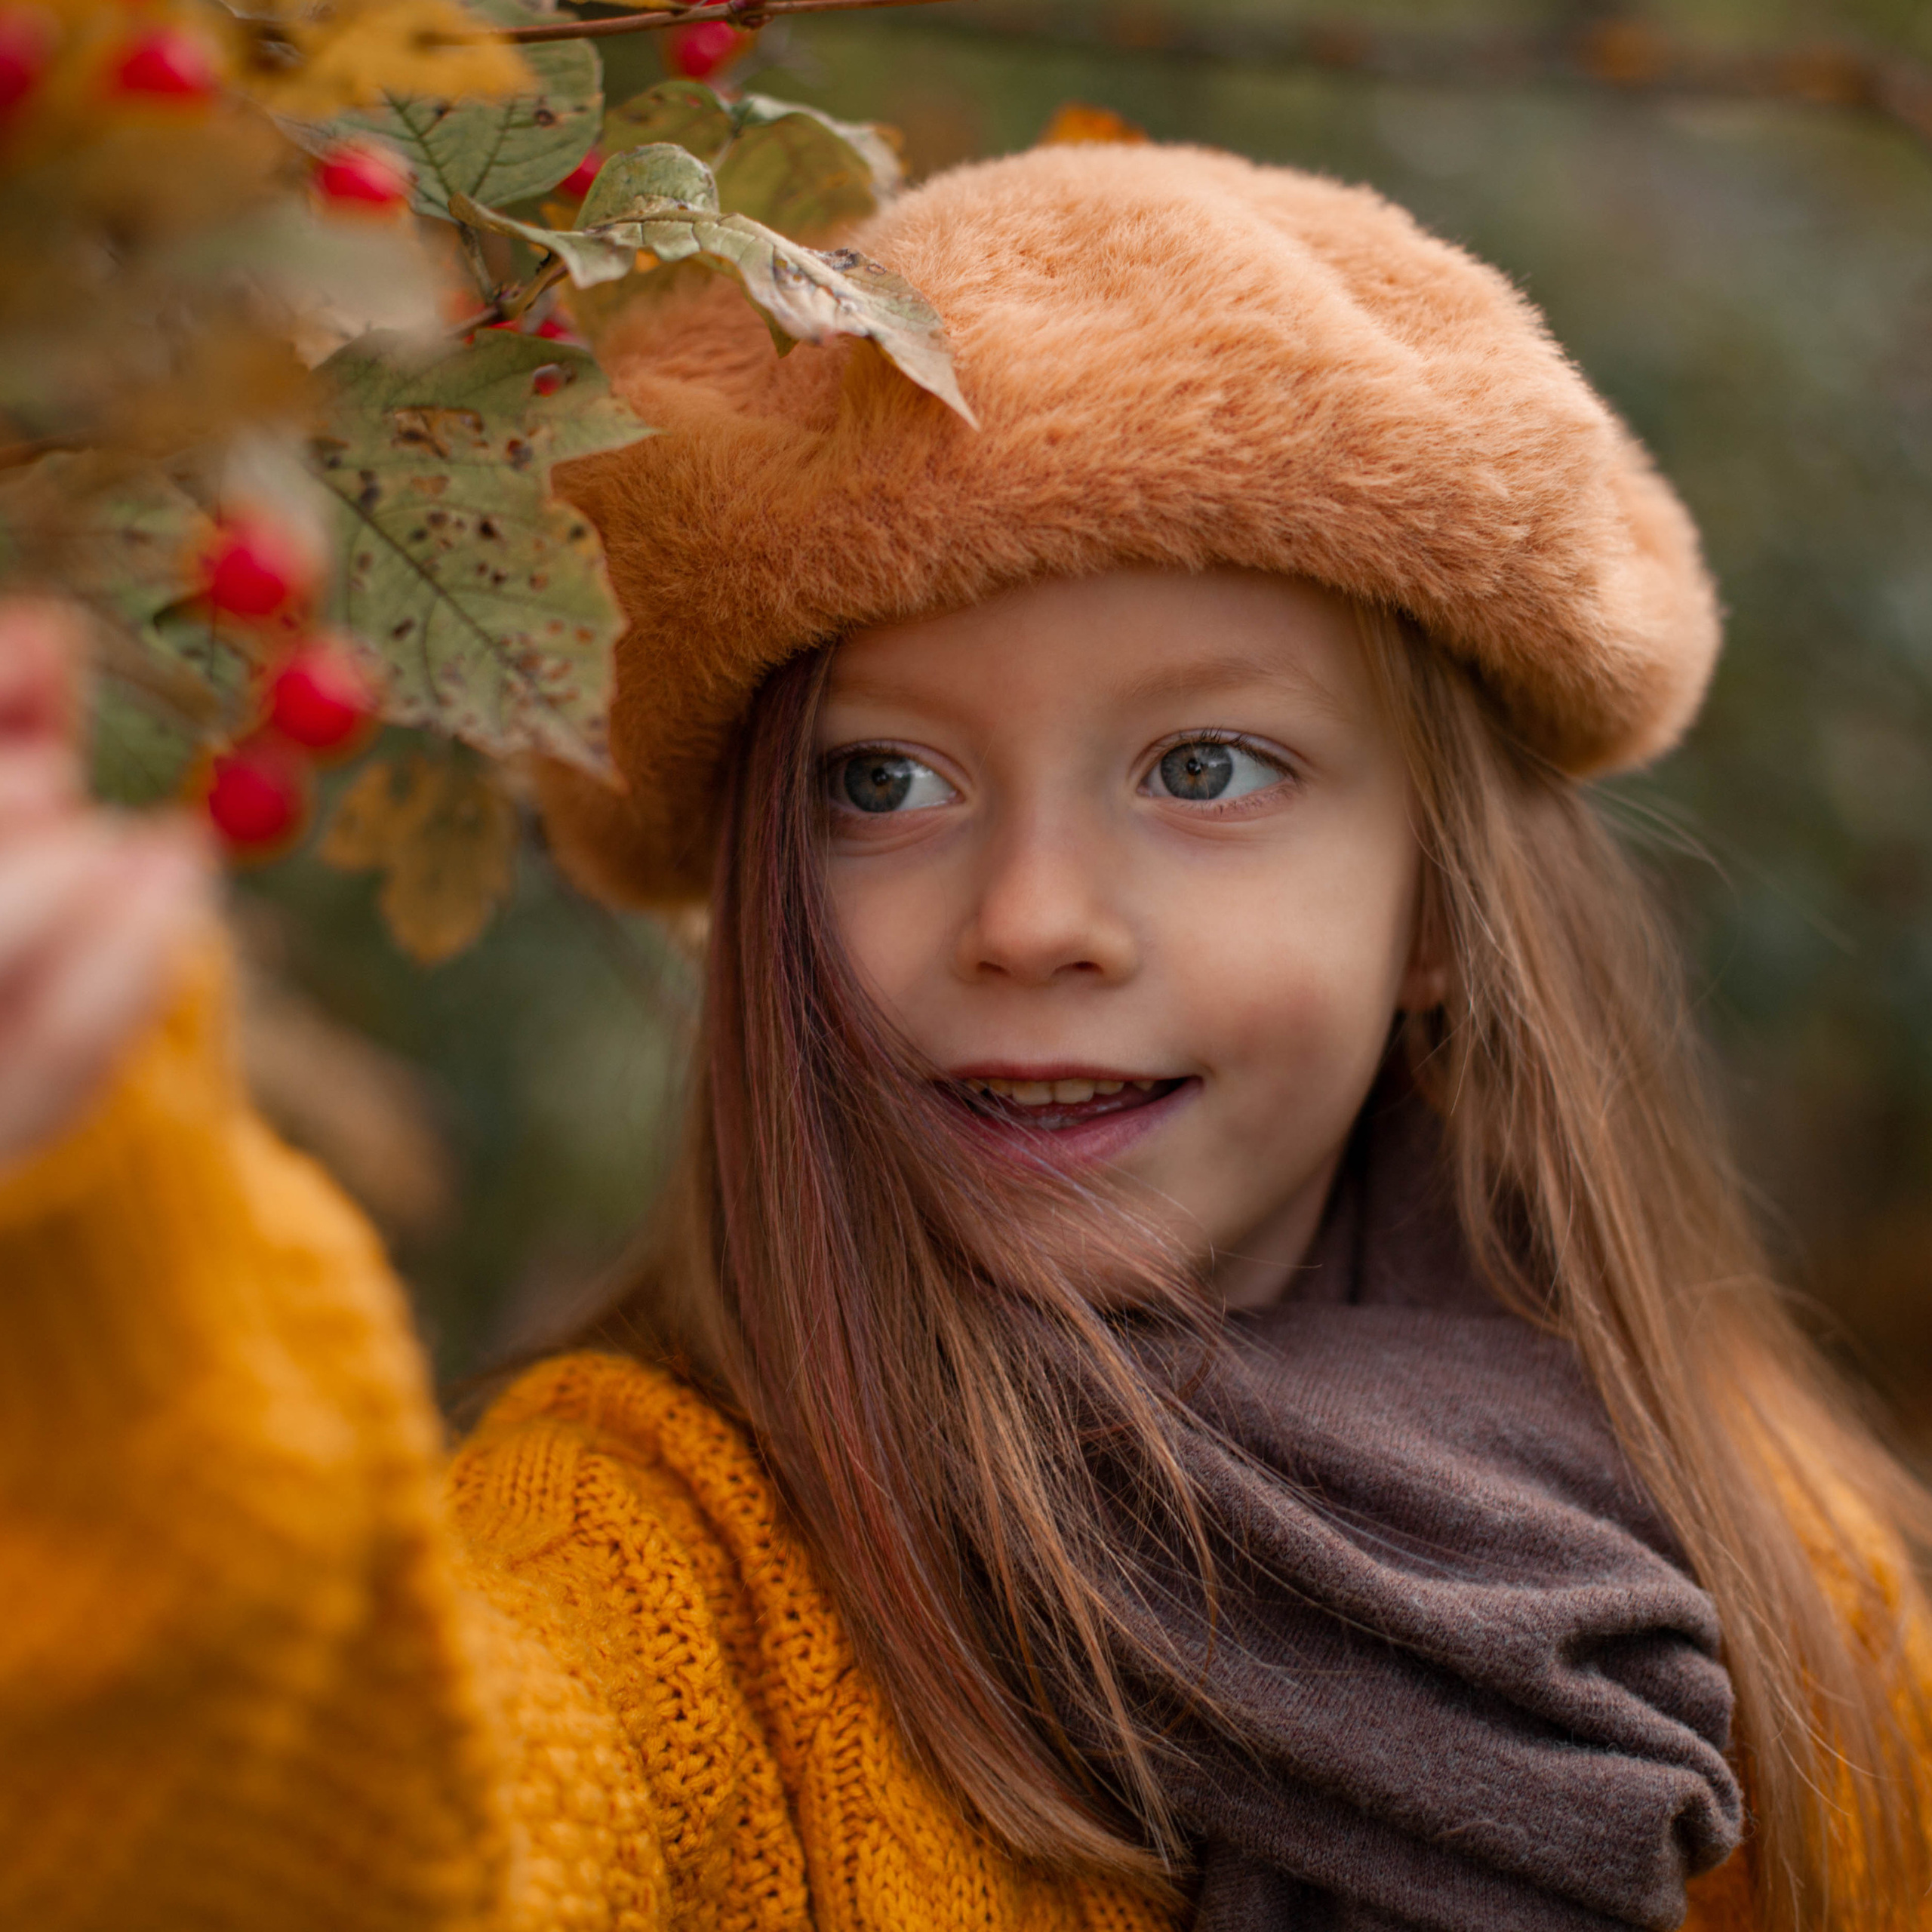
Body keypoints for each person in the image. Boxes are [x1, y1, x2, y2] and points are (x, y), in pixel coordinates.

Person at [0, 142, 1926, 1932]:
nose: (1027, 919)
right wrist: (113, 1254)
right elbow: (367, 1836)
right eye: (885, 781)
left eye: (1204, 765)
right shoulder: (662, 1570)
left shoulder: (1790, 1591)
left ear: (1437, 905)